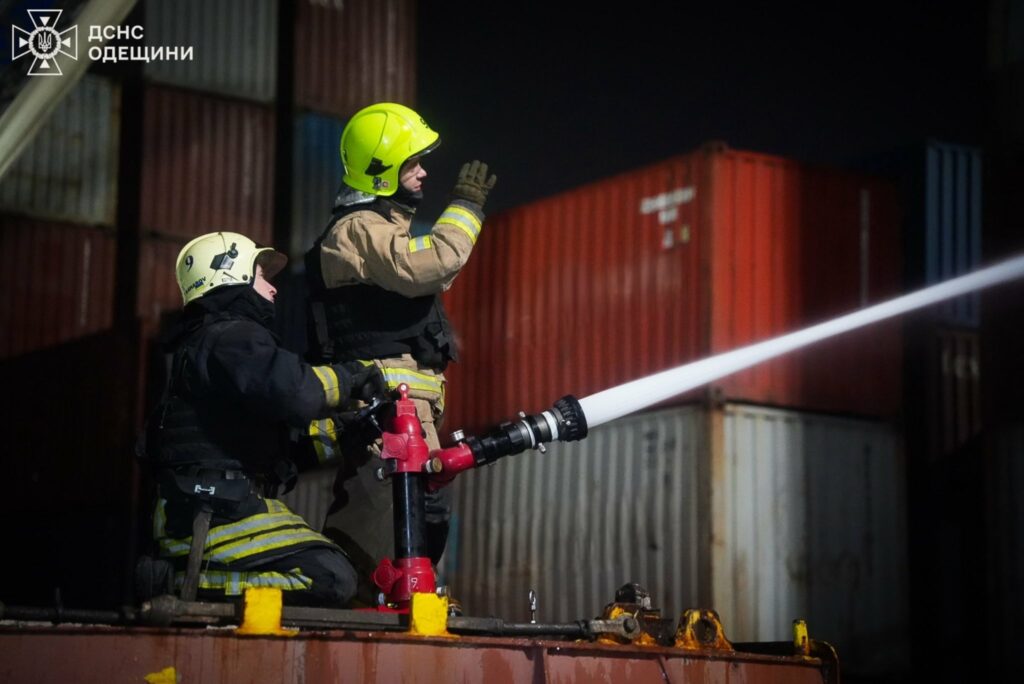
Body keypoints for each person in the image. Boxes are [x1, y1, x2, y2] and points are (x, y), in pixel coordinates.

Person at [138, 231, 384, 606]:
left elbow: (274, 447)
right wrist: (351, 377)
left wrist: (346, 432)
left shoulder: (212, 344)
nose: (273, 289)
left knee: (335, 570)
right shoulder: (231, 338)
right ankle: (180, 581)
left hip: (214, 503)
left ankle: (186, 576)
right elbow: (298, 392)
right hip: (214, 512)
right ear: (230, 275)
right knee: (330, 577)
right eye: (261, 276)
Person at [304, 102, 496, 582]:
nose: (423, 171)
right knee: (374, 537)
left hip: (408, 416)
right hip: (383, 416)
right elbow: (428, 263)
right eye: (411, 163)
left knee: (419, 534)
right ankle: (349, 612)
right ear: (381, 171)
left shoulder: (380, 228)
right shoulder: (357, 230)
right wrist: (466, 207)